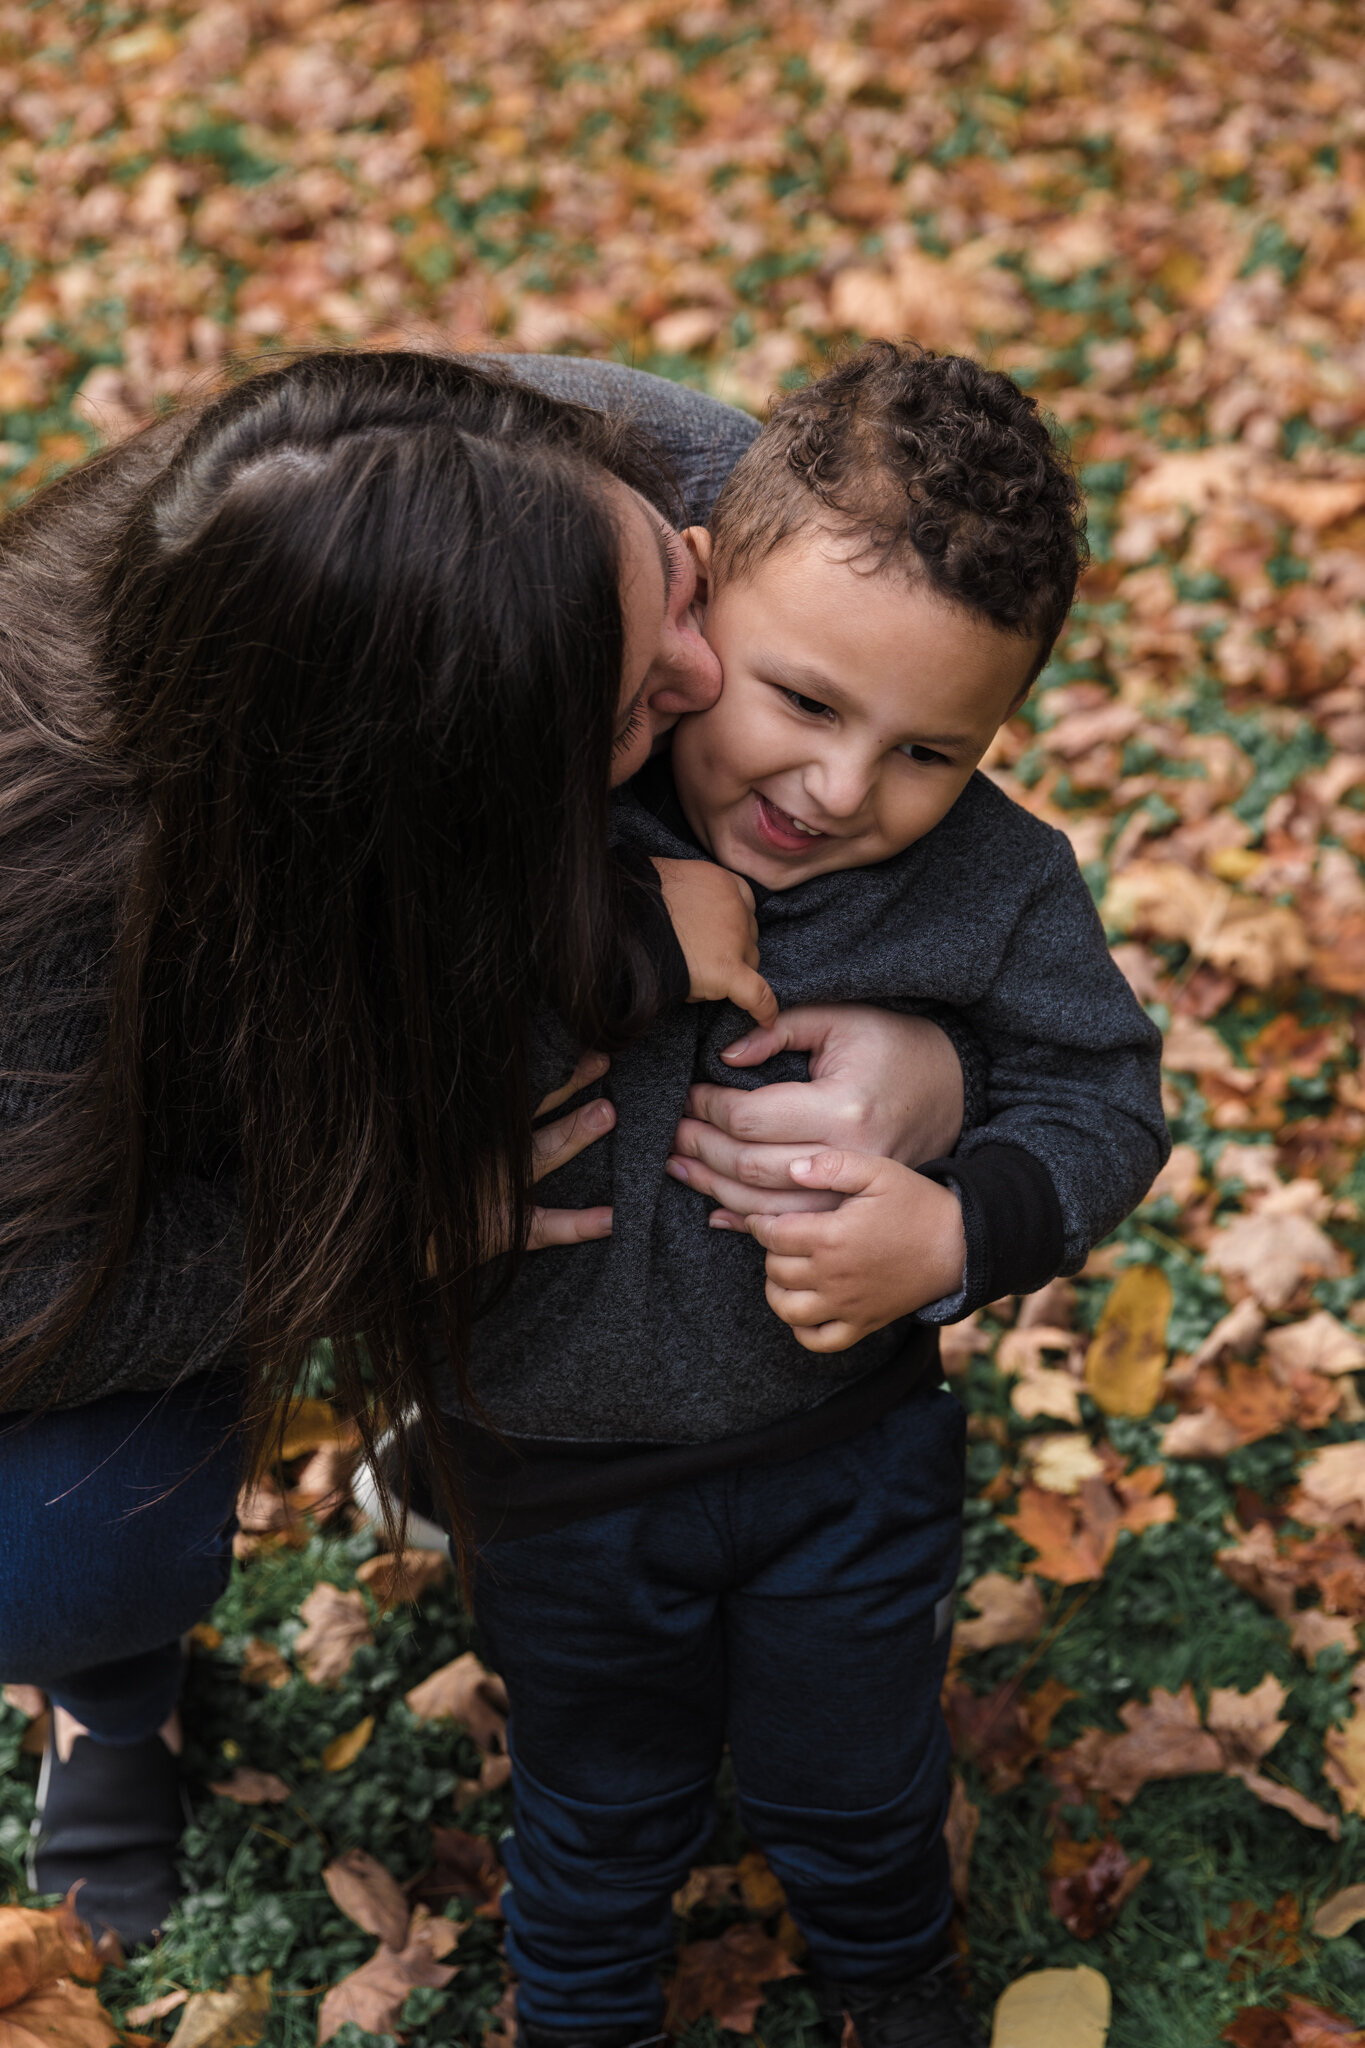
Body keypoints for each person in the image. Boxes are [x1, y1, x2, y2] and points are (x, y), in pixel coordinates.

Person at [0, 348, 973, 1947]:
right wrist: (368, 1225)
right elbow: (19, 1300)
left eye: (672, 581)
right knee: (44, 1555)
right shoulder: (47, 877)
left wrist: (934, 1058)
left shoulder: (651, 478)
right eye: (624, 711)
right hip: (135, 1179)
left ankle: (539, 1410)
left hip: (442, 1032)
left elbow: (929, 777)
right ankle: (105, 1694)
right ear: (439, 804)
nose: (702, 667)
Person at [449, 344, 1171, 2048]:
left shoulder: (992, 882)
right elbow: (382, 1013)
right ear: (697, 604)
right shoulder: (539, 811)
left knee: (853, 1773)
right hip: (553, 1471)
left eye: (930, 747)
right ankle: (582, 2013)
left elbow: (1103, 1093)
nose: (840, 792)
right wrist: (622, 947)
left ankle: (892, 1976)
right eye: (801, 701)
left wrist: (961, 1226)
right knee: (599, 1796)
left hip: (843, 1451)